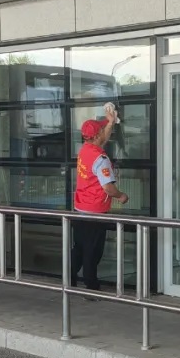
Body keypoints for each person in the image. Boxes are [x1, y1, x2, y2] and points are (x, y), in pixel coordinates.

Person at [70, 108, 128, 291]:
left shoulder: (84, 150)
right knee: (93, 251)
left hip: (80, 208)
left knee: (79, 247)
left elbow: (102, 138)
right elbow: (108, 187)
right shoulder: (100, 159)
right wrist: (121, 196)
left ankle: (69, 279)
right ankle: (91, 286)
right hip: (94, 212)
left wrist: (110, 122)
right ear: (96, 136)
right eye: (102, 130)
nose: (105, 132)